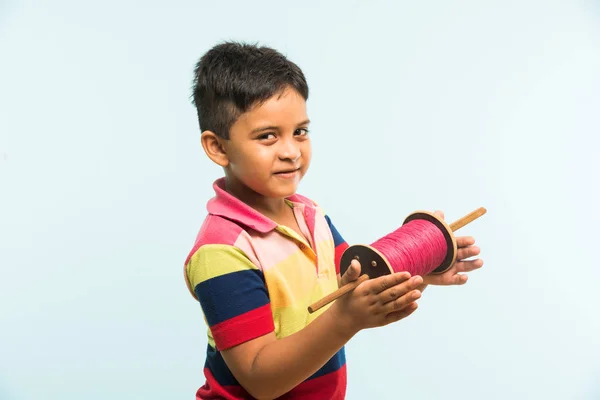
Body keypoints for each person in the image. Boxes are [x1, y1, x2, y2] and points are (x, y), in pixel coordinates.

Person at [182, 41, 484, 400]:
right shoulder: (222, 250)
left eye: (300, 132)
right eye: (268, 136)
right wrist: (345, 320)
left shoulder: (310, 214)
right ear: (218, 147)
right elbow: (260, 380)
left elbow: (355, 284)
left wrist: (420, 265)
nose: (292, 151)